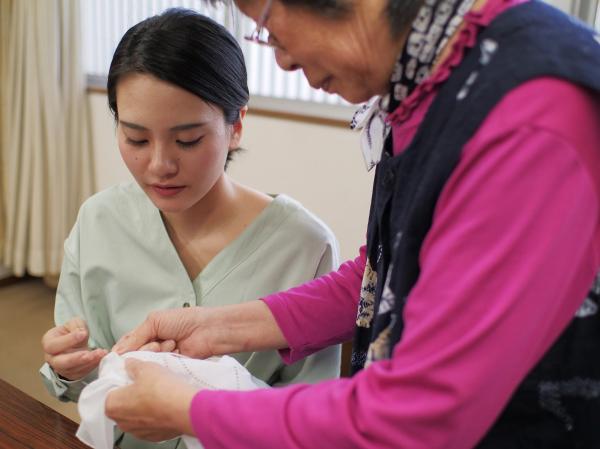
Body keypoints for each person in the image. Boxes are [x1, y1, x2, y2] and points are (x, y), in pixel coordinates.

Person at [106, 0, 600, 448]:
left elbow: (419, 417)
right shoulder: (429, 83)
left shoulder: (525, 114)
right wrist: (214, 327)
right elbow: (381, 276)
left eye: (268, 25)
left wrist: (189, 408)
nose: (281, 60)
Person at [39, 8, 341, 449]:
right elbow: (88, 388)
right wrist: (70, 367)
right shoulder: (98, 221)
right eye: (136, 139)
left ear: (235, 126)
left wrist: (200, 404)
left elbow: (312, 413)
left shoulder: (302, 246)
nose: (160, 165)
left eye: (188, 140)